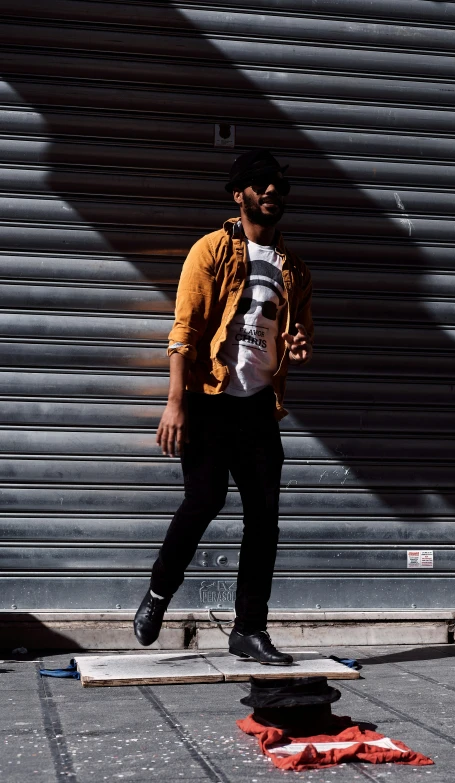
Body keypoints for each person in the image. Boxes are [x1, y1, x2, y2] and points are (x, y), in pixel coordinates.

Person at [133, 149, 314, 664]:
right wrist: (174, 403)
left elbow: (299, 335)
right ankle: (159, 594)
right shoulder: (210, 251)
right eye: (260, 184)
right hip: (208, 401)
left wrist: (299, 346)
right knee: (204, 500)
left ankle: (249, 629)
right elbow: (184, 331)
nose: (272, 192)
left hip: (257, 406)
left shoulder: (295, 270)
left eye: (278, 184)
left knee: (264, 519)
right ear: (240, 195)